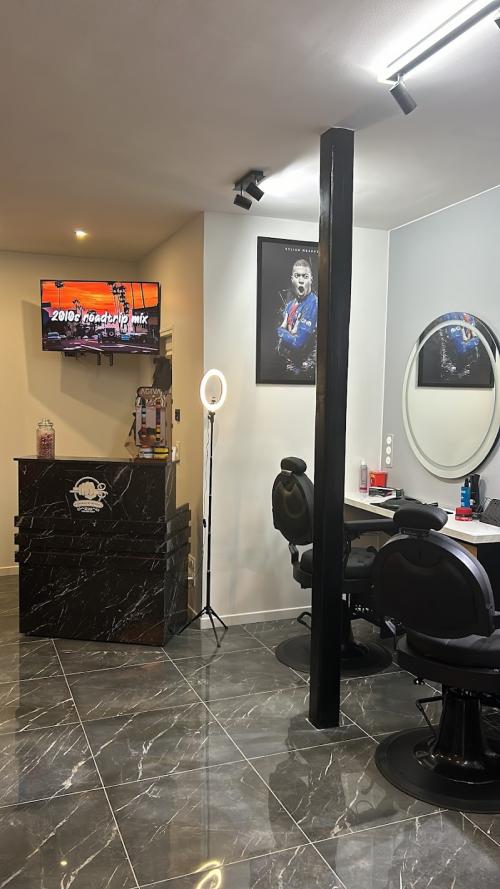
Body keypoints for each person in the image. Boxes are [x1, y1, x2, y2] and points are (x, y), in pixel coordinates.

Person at [276, 257, 318, 377]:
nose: (301, 280)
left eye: (305, 276)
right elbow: (280, 346)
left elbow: (298, 342)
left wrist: (280, 330)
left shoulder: (313, 304)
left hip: (305, 373)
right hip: (288, 370)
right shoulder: (290, 305)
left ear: (311, 279)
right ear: (292, 279)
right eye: (297, 276)